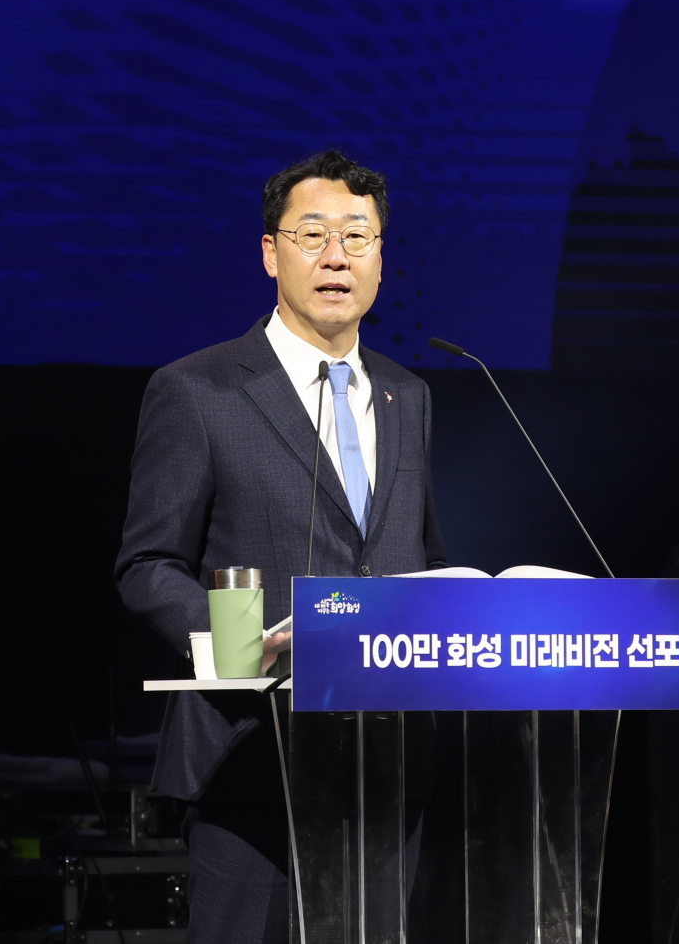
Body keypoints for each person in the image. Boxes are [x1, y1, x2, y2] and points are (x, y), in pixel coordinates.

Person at [115, 149, 448, 942]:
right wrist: (246, 643)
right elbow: (147, 565)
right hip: (252, 759)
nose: (337, 256)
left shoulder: (410, 396)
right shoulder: (199, 390)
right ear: (272, 254)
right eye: (312, 234)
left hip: (385, 759)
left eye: (358, 237)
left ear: (379, 258)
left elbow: (417, 559)